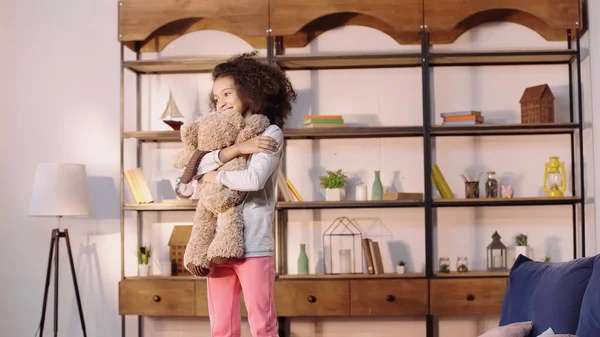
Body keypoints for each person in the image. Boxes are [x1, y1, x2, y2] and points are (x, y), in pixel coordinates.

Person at [189, 51, 296, 337]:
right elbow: (194, 167)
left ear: (250, 92)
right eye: (216, 97)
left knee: (263, 326)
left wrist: (216, 175)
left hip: (254, 247)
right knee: (221, 328)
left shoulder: (271, 133)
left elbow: (253, 179)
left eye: (227, 93)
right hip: (217, 246)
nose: (220, 101)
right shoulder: (220, 137)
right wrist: (236, 150)